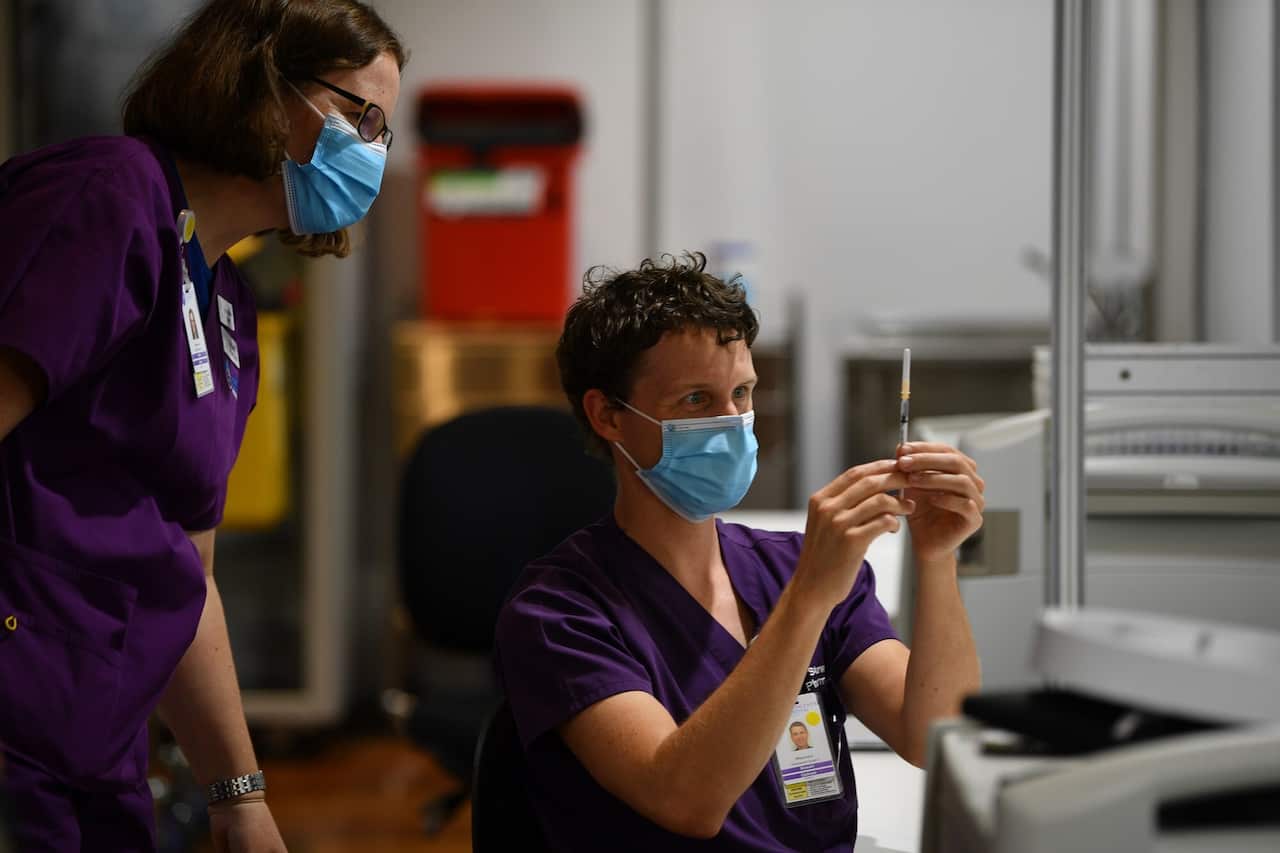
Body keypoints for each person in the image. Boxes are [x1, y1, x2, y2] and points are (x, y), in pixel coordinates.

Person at [0, 1, 404, 849]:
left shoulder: (227, 305)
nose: (371, 151)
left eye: (384, 133)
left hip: (95, 741)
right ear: (261, 83)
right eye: (358, 115)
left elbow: (188, 572)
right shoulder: (110, 195)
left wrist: (239, 792)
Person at [495, 252, 983, 851]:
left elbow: (934, 734)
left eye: (743, 393)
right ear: (609, 416)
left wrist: (937, 559)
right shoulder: (560, 613)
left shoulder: (790, 566)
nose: (733, 422)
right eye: (697, 401)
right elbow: (687, 800)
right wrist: (807, 598)